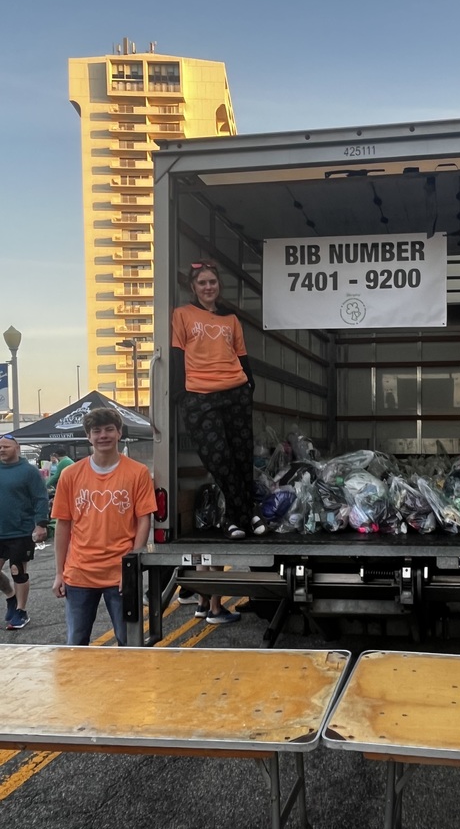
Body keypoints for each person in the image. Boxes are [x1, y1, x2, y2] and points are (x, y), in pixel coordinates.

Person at [171, 260, 264, 548]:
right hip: (199, 395)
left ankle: (235, 519)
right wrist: (180, 394)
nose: (208, 287)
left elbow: (242, 355)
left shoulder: (230, 319)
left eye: (212, 282)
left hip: (235, 391)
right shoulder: (182, 315)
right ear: (193, 286)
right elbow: (176, 355)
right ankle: (246, 513)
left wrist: (249, 385)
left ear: (219, 286)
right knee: (218, 458)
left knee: (241, 456)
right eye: (202, 282)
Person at [51, 408, 157, 645]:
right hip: (79, 573)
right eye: (96, 431)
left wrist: (131, 568)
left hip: (119, 573)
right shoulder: (70, 474)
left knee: (128, 642)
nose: (103, 435)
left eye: (109, 429)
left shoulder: (137, 472)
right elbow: (63, 524)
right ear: (88, 436)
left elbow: (144, 520)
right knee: (76, 643)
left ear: (119, 433)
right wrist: (59, 573)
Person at [0, 434, 49, 630]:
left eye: (6, 446)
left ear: (17, 448)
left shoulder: (28, 471)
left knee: (17, 571)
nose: (2, 449)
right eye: (0, 447)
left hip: (20, 530)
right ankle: (11, 597)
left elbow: (40, 498)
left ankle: (21, 611)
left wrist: (41, 523)